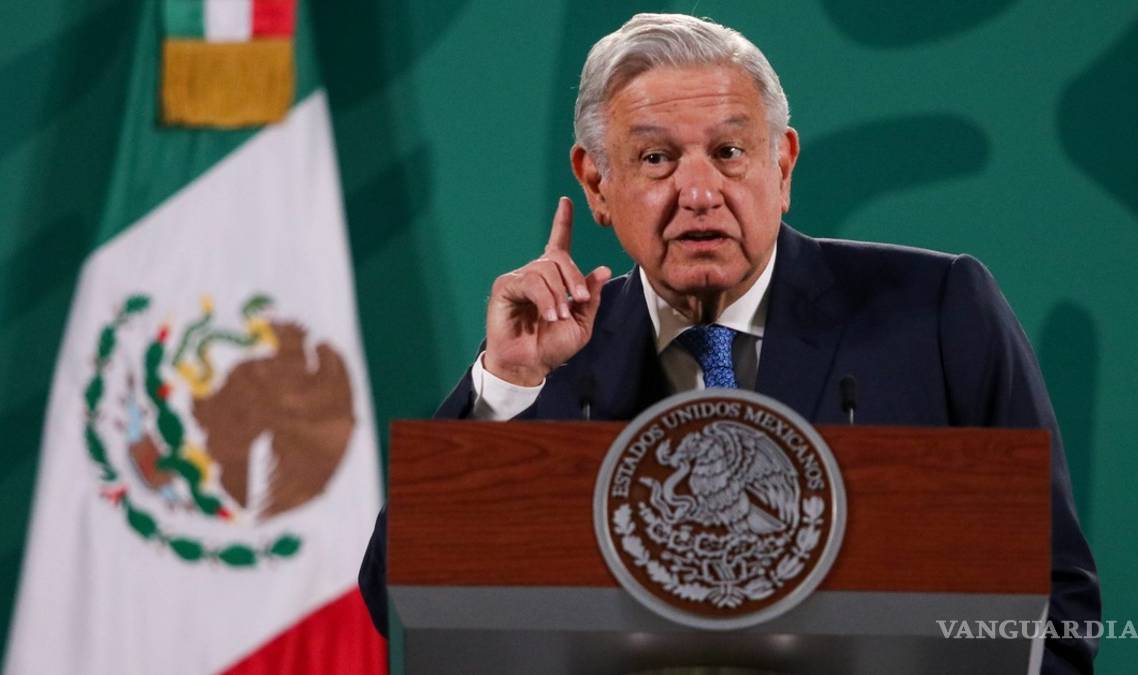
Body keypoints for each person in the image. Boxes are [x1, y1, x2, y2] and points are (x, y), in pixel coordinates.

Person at [360, 13, 1100, 673]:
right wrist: (508, 382)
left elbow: (1056, 602)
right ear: (597, 183)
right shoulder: (553, 358)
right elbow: (399, 604)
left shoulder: (936, 312)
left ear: (783, 165)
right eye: (656, 159)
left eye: (729, 151)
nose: (699, 192)